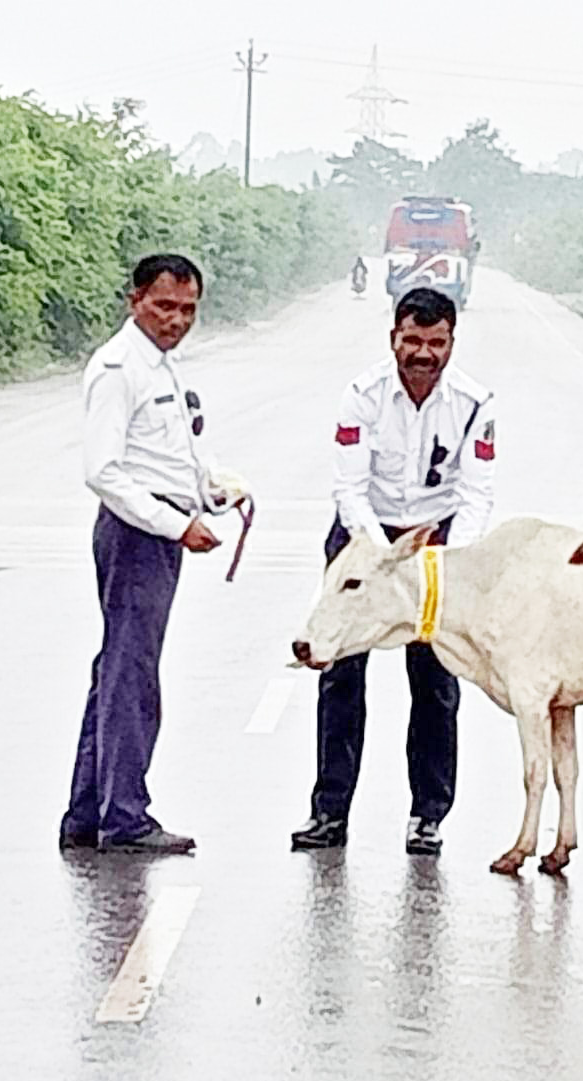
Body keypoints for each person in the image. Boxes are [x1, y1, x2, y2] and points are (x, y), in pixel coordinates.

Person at [292, 287, 497, 855]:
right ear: (393, 339)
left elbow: (477, 495)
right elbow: (349, 488)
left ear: (451, 342)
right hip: (364, 536)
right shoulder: (363, 396)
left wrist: (444, 562)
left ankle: (428, 816)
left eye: (436, 342)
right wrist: (383, 557)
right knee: (338, 671)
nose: (423, 353)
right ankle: (329, 812)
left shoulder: (475, 404)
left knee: (436, 680)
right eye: (412, 340)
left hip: (436, 540)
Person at [60, 253, 247, 855]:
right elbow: (104, 471)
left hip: (158, 528)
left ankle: (87, 813)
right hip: (136, 533)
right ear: (134, 300)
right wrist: (176, 525)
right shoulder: (118, 368)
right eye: (164, 306)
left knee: (117, 669)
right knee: (131, 674)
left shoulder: (162, 366)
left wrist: (211, 491)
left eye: (188, 309)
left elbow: (168, 456)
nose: (177, 320)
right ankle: (125, 818)